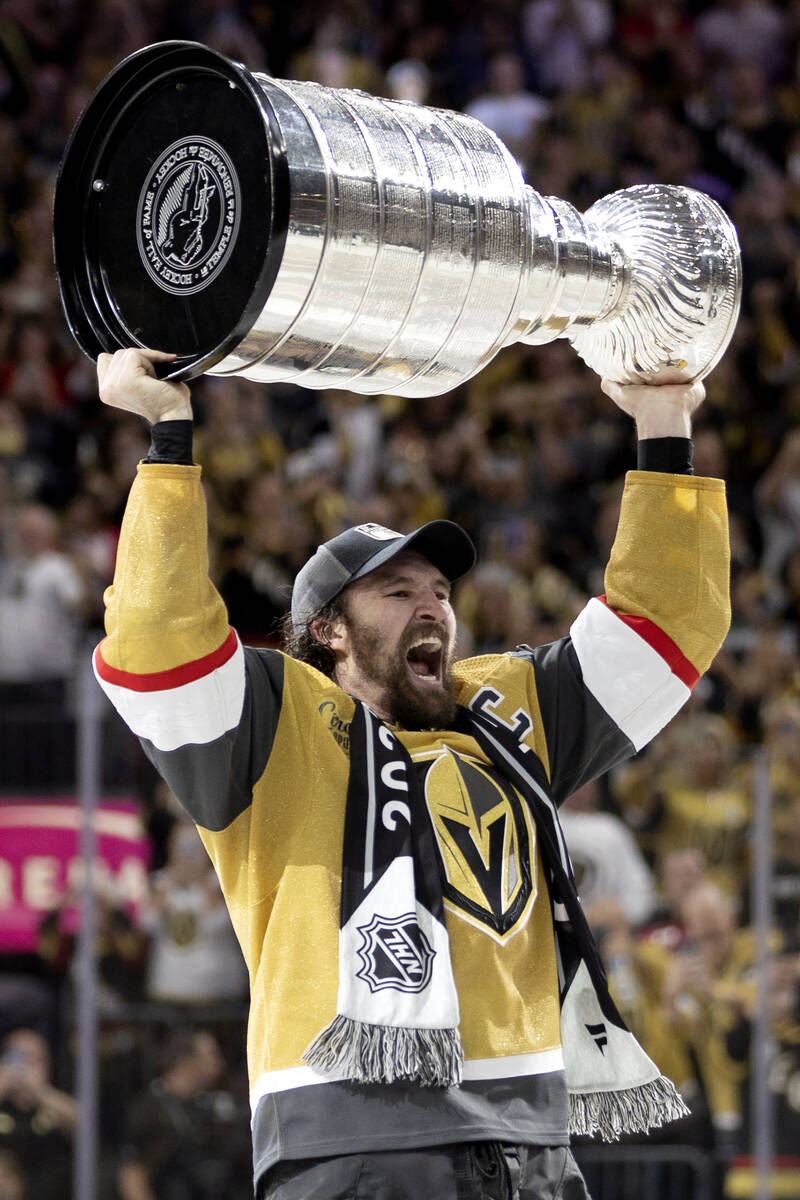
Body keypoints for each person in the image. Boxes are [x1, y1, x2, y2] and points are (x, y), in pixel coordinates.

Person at [93, 347, 730, 1200]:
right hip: (352, 1144)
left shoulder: (508, 709)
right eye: (395, 594)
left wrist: (662, 421)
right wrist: (167, 436)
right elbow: (158, 646)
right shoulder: (273, 728)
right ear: (328, 633)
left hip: (532, 1147)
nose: (431, 605)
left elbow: (665, 625)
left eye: (438, 590)